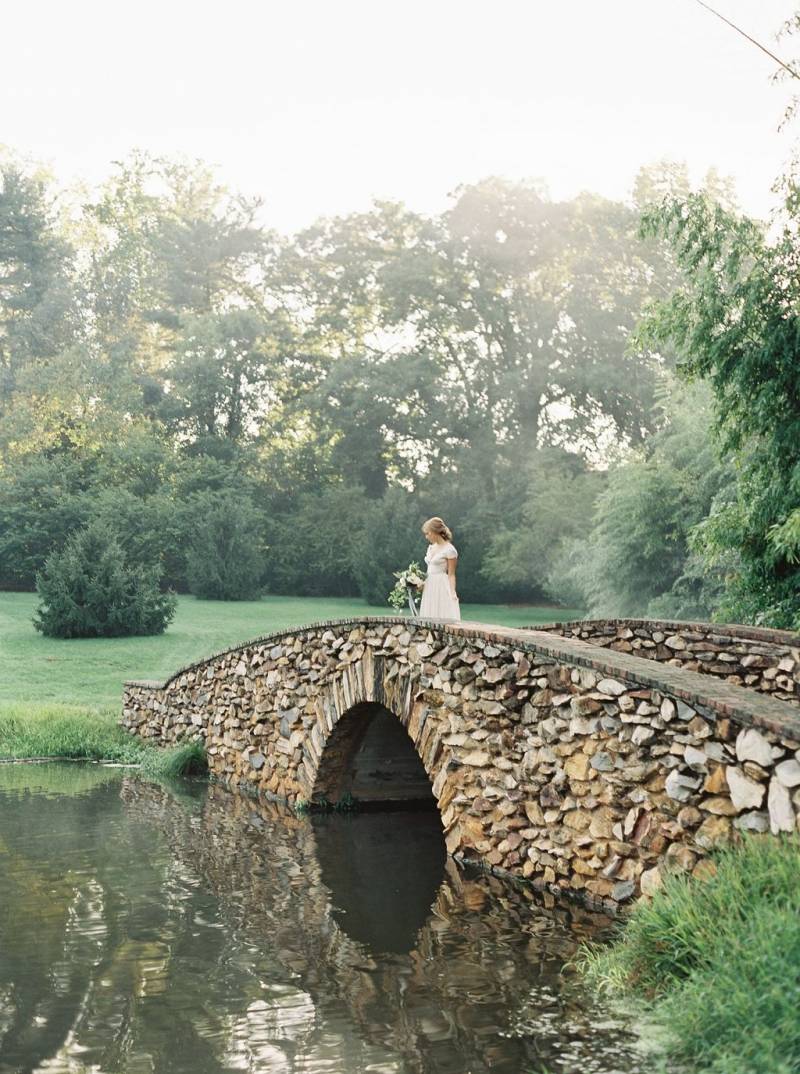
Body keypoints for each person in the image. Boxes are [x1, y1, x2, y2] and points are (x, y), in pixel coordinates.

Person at [418, 517, 461, 620]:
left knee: (441, 615)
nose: (426, 536)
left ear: (435, 532)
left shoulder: (450, 550)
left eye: (428, 533)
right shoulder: (431, 548)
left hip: (440, 585)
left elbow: (451, 574)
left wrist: (452, 592)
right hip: (429, 585)